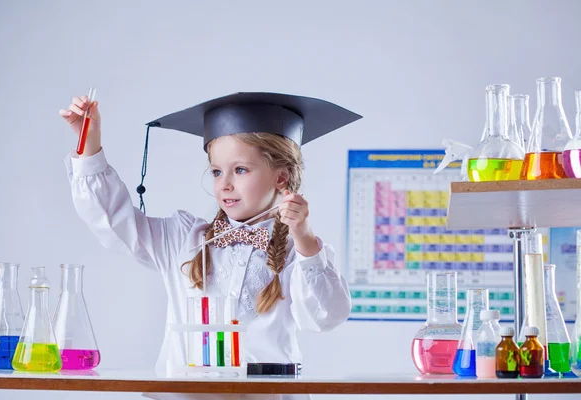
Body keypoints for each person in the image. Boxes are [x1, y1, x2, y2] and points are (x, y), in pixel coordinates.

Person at [60, 92, 362, 400]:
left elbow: (327, 315)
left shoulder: (299, 253)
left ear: (281, 176)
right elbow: (113, 220)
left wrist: (305, 238)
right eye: (217, 171)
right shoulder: (183, 239)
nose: (224, 183)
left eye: (240, 170)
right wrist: (90, 147)